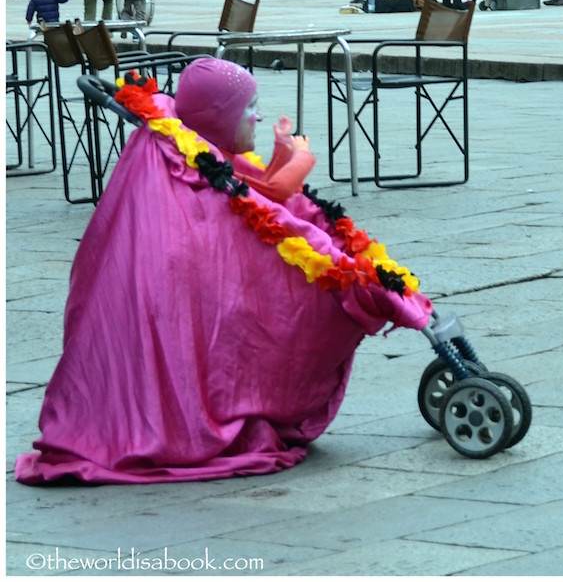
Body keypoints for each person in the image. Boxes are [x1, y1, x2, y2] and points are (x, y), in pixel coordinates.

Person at [15, 57, 433, 485]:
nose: (260, 115)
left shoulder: (203, 155)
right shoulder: (190, 180)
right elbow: (273, 223)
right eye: (249, 107)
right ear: (218, 118)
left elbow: (276, 198)